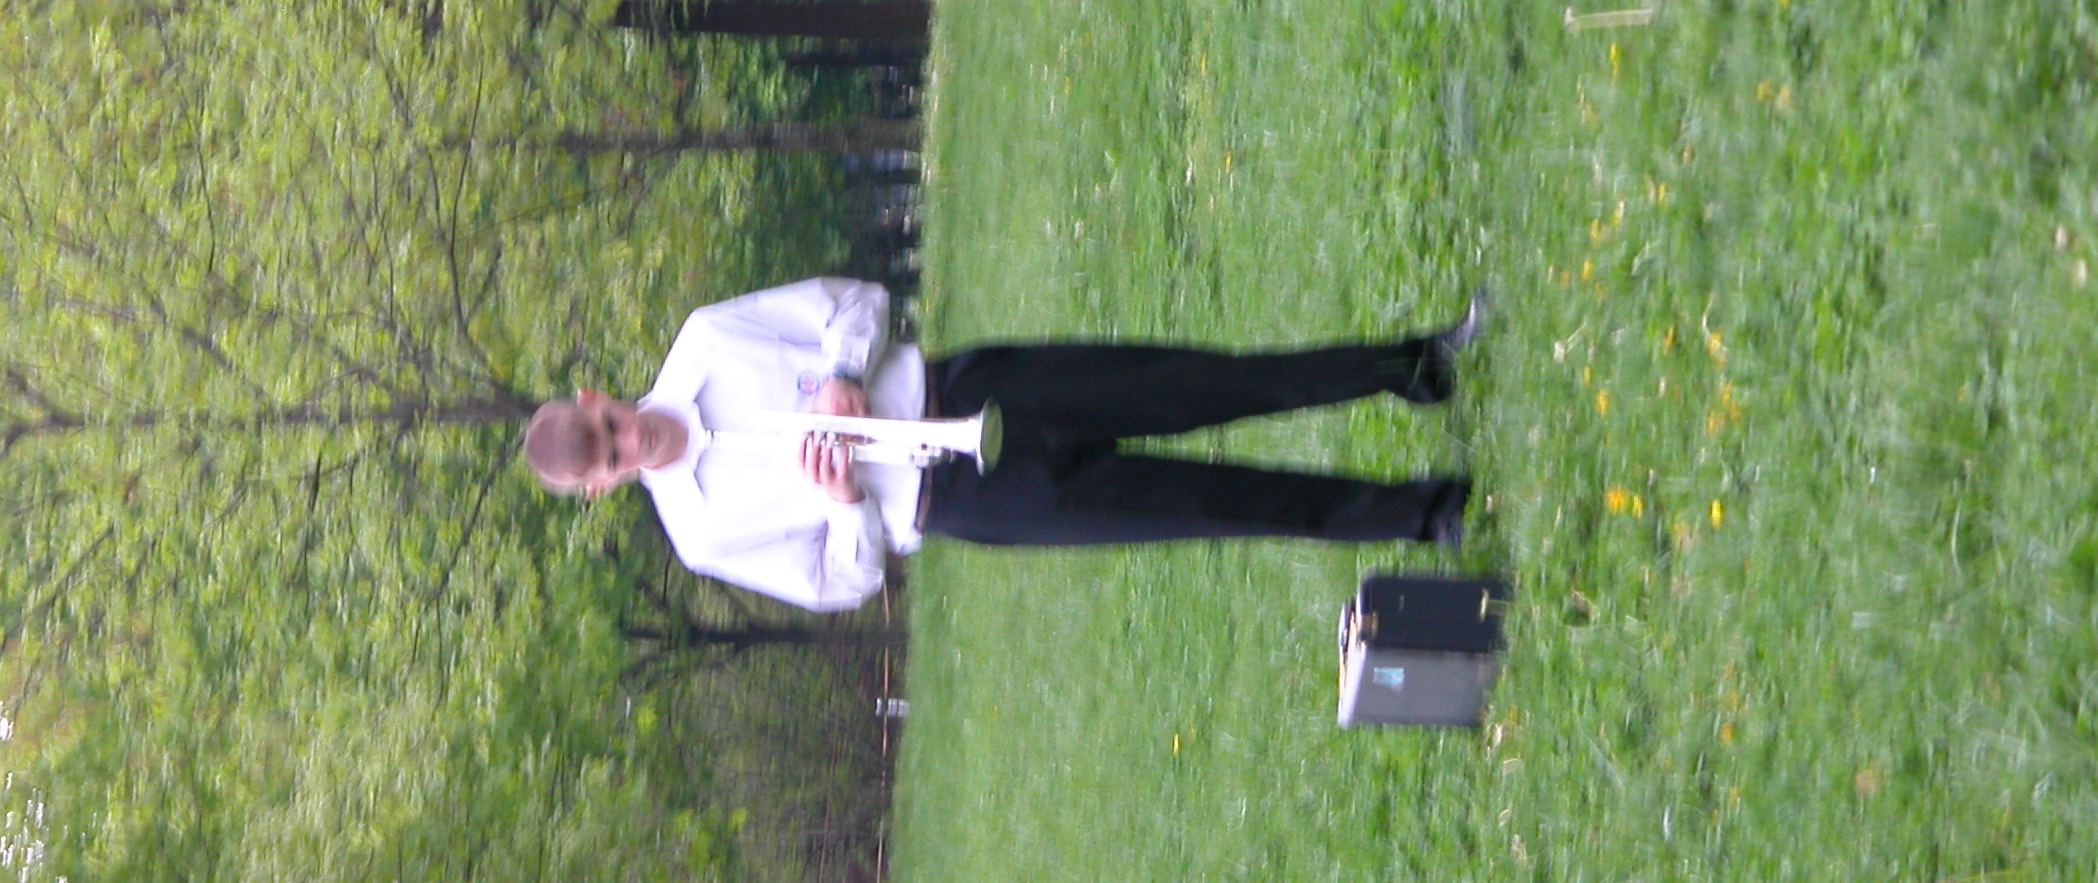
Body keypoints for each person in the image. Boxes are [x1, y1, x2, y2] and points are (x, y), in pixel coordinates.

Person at [521, 276, 1480, 613]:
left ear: (597, 395)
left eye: (607, 424)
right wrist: (845, 505)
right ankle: (1423, 514)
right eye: (611, 458)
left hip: (977, 389)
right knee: (1209, 504)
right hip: (972, 501)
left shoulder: (705, 341)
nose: (626, 440)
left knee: (1209, 385)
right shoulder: (702, 535)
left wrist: (846, 370)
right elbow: (838, 583)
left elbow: (854, 301)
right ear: (604, 487)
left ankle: (1411, 364)